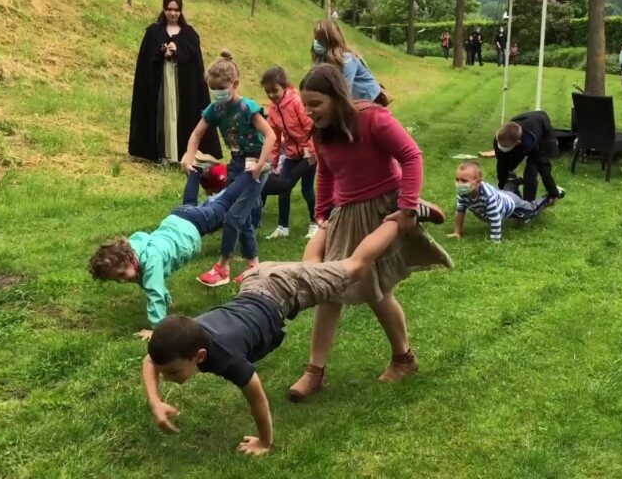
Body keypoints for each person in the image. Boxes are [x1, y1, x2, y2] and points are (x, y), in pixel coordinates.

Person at [141, 220, 401, 456]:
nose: (167, 378)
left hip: (282, 290)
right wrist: (155, 402)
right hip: (256, 280)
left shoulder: (226, 357)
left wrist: (265, 442)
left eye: (172, 372)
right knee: (311, 269)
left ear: (199, 356)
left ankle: (400, 219)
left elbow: (257, 398)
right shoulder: (187, 335)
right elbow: (150, 361)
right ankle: (329, 221)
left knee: (354, 267)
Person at [286, 64, 453, 402]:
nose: (309, 111)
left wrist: (406, 208)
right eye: (305, 104)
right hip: (346, 214)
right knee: (332, 288)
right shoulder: (321, 133)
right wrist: (322, 214)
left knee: (368, 289)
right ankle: (317, 371)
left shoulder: (372, 119)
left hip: (384, 210)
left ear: (336, 98)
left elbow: (411, 155)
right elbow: (327, 176)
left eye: (316, 103)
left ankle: (401, 359)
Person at [87, 167, 258, 339]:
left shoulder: (151, 261)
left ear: (130, 259)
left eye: (122, 274)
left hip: (194, 225)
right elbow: (150, 283)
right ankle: (196, 170)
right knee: (189, 202)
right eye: (117, 279)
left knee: (225, 201)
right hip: (178, 217)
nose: (123, 280)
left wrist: (157, 330)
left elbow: (155, 294)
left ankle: (252, 172)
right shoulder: (135, 248)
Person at [182, 51, 276, 287]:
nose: (218, 93)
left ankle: (222, 268)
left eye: (221, 88)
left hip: (255, 165)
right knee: (241, 216)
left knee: (233, 215)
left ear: (234, 84)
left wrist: (261, 164)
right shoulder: (217, 109)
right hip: (236, 163)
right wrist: (189, 156)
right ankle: (255, 266)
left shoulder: (247, 108)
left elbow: (270, 135)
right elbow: (196, 134)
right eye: (213, 88)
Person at [129, 0, 222, 164]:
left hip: (183, 86)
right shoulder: (153, 32)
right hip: (160, 84)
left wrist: (178, 51)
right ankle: (162, 154)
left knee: (180, 115)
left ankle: (181, 154)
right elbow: (146, 60)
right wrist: (162, 53)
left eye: (176, 10)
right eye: (169, 9)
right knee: (162, 114)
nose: (173, 13)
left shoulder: (190, 34)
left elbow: (194, 61)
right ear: (164, 9)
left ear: (181, 11)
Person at [260, 67, 318, 240]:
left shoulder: (297, 103)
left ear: (284, 87)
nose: (271, 95)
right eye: (267, 92)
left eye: (274, 91)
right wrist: (273, 162)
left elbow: (310, 127)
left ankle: (315, 224)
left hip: (309, 154)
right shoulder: (272, 109)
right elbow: (275, 138)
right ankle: (282, 226)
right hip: (292, 154)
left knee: (307, 189)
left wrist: (312, 151)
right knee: (283, 188)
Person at [447, 162, 556, 242]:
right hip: (502, 195)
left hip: (511, 205)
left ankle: (549, 197)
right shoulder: (463, 193)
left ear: (478, 182)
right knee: (506, 192)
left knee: (530, 212)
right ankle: (512, 181)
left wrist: (495, 241)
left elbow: (495, 219)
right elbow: (460, 211)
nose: (459, 183)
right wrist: (457, 232)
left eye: (464, 180)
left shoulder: (488, 197)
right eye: (457, 179)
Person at [493, 111, 563, 203]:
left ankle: (528, 202)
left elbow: (544, 167)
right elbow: (501, 163)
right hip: (523, 119)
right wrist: (502, 187)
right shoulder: (499, 138)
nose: (501, 149)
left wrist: (553, 192)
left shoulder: (531, 143)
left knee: (530, 174)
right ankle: (514, 184)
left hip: (541, 124)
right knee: (508, 165)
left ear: (518, 143)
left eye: (506, 148)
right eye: (500, 146)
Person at [311, 19, 381, 102]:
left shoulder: (348, 60)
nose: (316, 42)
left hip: (369, 100)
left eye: (319, 39)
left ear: (330, 40)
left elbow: (344, 91)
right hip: (352, 99)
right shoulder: (322, 59)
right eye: (315, 38)